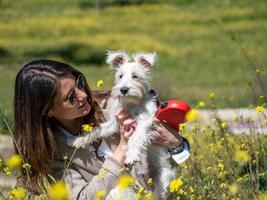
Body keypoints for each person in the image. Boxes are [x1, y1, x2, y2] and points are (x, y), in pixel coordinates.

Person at [13, 59, 190, 199]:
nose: (83, 95)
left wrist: (176, 144)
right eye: (71, 97)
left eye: (79, 83)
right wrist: (121, 150)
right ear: (47, 111)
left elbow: (166, 160)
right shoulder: (54, 153)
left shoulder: (113, 104)